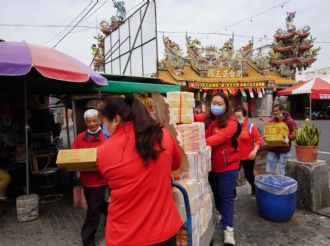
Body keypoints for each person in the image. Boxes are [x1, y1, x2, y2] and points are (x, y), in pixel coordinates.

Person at [97, 95, 182, 246]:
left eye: (104, 123)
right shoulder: (163, 136)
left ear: (116, 119)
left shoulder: (104, 151)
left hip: (125, 236)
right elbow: (176, 164)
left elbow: (107, 178)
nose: (105, 129)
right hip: (164, 231)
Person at [195, 93, 241, 246]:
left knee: (226, 196)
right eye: (214, 102)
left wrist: (200, 143)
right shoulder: (208, 118)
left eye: (220, 103)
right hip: (211, 166)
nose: (216, 106)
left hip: (229, 166)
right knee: (216, 193)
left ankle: (229, 230)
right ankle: (222, 214)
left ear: (226, 106)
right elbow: (192, 119)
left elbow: (222, 137)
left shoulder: (232, 122)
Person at [72, 109, 108, 246]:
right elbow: (74, 156)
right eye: (88, 121)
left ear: (100, 120)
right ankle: (112, 216)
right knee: (98, 205)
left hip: (103, 180)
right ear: (85, 122)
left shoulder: (107, 136)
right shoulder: (80, 137)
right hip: (87, 180)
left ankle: (87, 239)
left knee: (93, 210)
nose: (92, 124)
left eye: (94, 120)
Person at [234, 107, 263, 199]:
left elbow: (259, 140)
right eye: (236, 117)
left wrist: (255, 150)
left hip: (248, 156)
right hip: (235, 156)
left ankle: (254, 190)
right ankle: (233, 194)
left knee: (249, 175)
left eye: (239, 117)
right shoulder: (233, 127)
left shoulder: (251, 127)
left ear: (245, 117)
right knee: (232, 175)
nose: (237, 119)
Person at [266, 104, 297, 176]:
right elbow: (268, 131)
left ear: (282, 111)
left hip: (284, 149)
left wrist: (289, 138)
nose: (275, 112)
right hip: (272, 149)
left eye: (277, 111)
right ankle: (271, 184)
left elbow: (295, 132)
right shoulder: (272, 121)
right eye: (274, 111)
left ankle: (283, 184)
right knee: (270, 169)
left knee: (283, 170)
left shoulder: (289, 121)